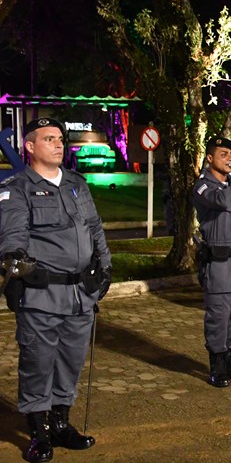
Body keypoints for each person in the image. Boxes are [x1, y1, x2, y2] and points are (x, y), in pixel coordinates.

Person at [0, 117, 112, 462]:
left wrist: (105, 267)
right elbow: (13, 233)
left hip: (80, 295)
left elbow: (95, 227)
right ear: (30, 147)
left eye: (60, 138)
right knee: (38, 362)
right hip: (42, 293)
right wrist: (15, 263)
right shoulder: (16, 187)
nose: (59, 143)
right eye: (49, 139)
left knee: (70, 361)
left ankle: (61, 423)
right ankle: (38, 432)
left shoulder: (76, 183)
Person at [193, 137, 231, 388]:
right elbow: (222, 202)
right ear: (209, 158)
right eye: (223, 154)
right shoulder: (202, 187)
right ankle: (217, 366)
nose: (230, 158)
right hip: (218, 263)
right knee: (219, 316)